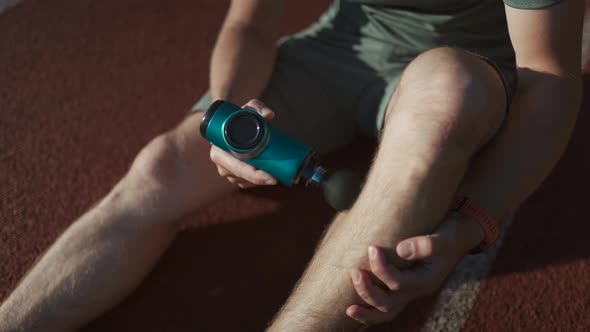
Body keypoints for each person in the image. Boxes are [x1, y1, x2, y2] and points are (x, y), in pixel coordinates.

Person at [0, 0, 584, 330]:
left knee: (448, 92)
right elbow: (249, 24)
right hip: (343, 51)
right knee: (162, 167)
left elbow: (548, 77)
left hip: (468, 64)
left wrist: (471, 222)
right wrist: (226, 119)